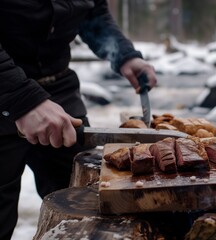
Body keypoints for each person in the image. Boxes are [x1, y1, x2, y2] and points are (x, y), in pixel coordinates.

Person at [0, 1, 157, 239]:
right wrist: (23, 99)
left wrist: (123, 54)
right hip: (5, 90)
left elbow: (93, 12)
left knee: (90, 207)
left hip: (61, 93)